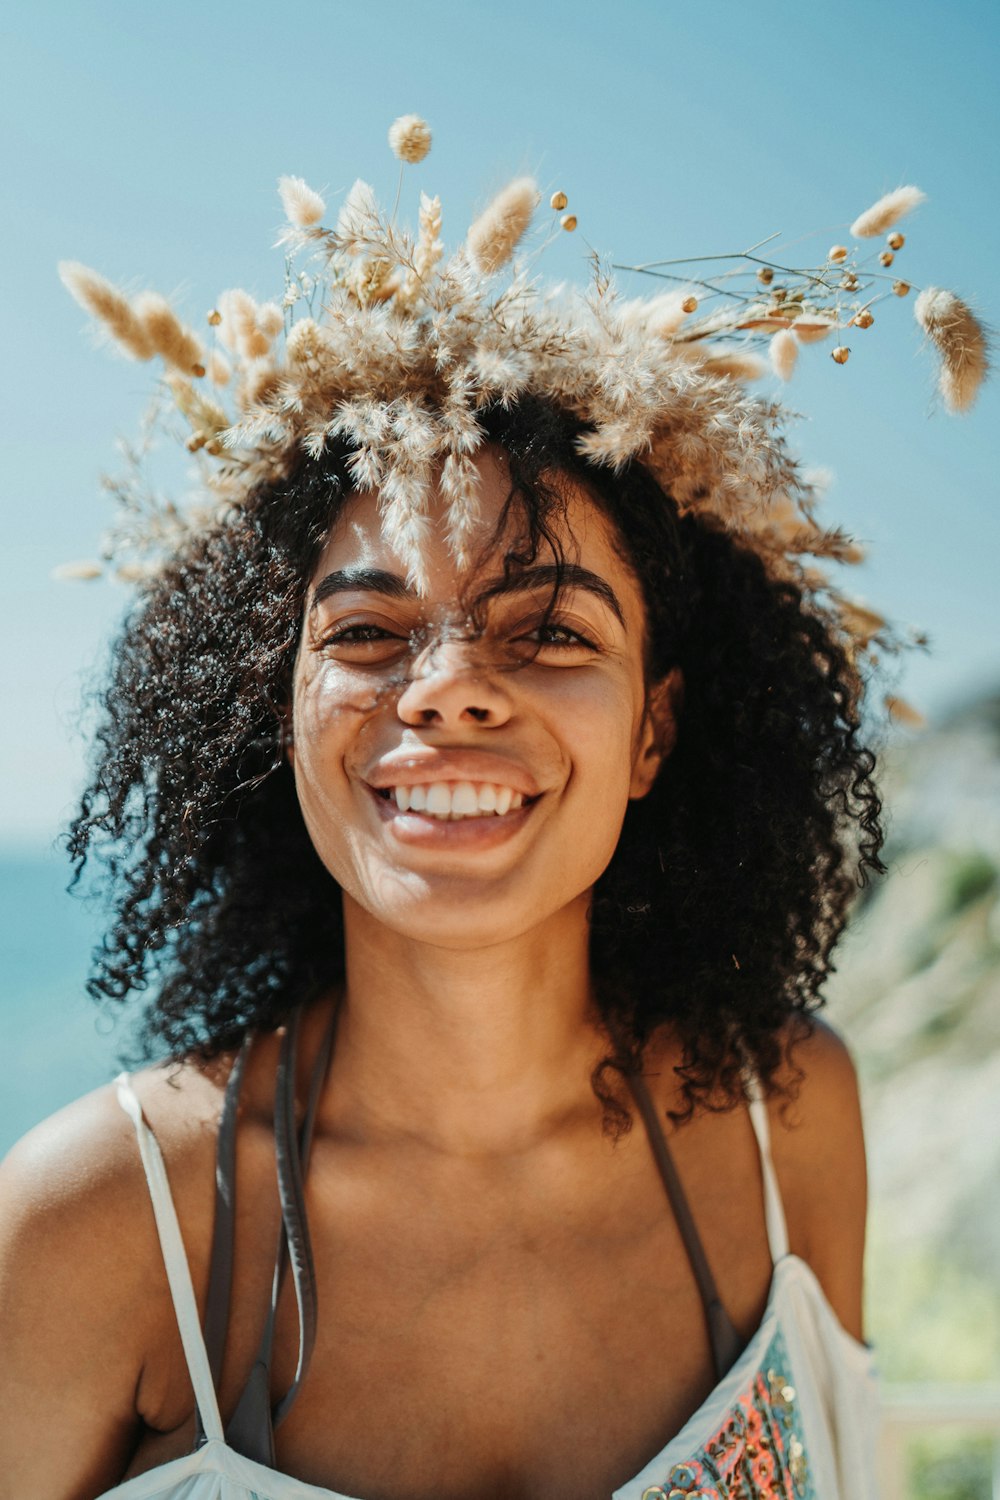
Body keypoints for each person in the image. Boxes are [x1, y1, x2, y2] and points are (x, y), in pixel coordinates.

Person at [2, 120, 981, 1500]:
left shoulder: (787, 1118)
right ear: (270, 712)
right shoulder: (103, 1221)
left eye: (554, 634)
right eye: (367, 632)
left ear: (655, 732)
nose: (451, 690)